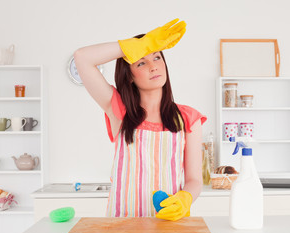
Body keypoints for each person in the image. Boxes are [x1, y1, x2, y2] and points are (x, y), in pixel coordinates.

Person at [73, 19, 207, 221]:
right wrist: (136, 45)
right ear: (129, 76)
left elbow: (195, 180)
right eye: (142, 62)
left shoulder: (188, 118)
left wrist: (185, 198)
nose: (154, 67)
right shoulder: (119, 110)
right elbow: (82, 58)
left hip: (168, 222)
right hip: (122, 224)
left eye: (157, 57)